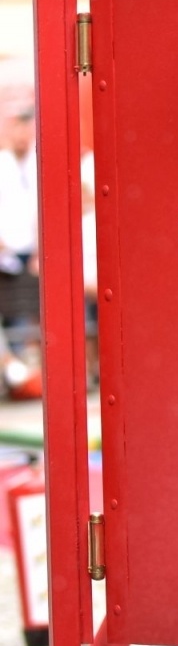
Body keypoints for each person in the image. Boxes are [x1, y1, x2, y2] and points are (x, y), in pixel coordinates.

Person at [0, 58, 41, 400]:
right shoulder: (3, 164)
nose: (23, 131)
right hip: (7, 255)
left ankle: (26, 372)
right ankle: (14, 369)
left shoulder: (40, 161)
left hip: (35, 253)